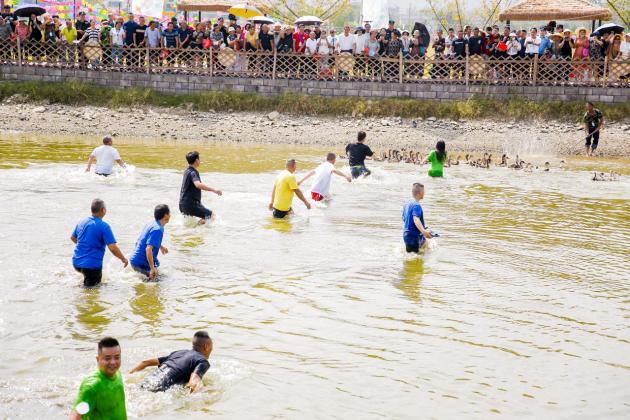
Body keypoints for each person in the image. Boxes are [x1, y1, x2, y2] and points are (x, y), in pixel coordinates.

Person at [129, 331, 213, 393]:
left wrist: (129, 375)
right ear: (206, 346)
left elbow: (145, 362)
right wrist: (206, 390)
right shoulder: (202, 361)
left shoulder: (178, 353)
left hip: (145, 383)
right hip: (156, 392)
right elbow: (192, 384)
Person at [71, 199, 128, 287]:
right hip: (91, 266)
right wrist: (123, 259)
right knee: (92, 294)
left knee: (90, 285)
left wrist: (86, 245)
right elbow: (113, 248)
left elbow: (73, 238)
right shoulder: (104, 226)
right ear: (103, 210)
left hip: (76, 262)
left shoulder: (82, 222)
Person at [69, 337, 126, 420]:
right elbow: (75, 416)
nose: (113, 362)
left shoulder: (117, 373)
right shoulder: (92, 386)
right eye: (107, 358)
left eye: (117, 357)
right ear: (98, 359)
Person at [179, 151, 222, 224]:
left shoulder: (186, 171)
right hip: (190, 205)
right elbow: (198, 185)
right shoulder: (193, 172)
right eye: (199, 159)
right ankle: (197, 230)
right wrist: (214, 190)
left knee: (191, 223)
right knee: (211, 216)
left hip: (182, 205)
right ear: (196, 160)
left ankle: (194, 232)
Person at [130, 204, 170, 280]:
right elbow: (148, 249)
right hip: (140, 264)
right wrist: (152, 269)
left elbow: (143, 240)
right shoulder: (158, 229)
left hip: (135, 260)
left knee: (161, 276)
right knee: (155, 282)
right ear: (165, 215)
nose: (170, 215)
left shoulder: (151, 224)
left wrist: (160, 247)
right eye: (169, 213)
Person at [402, 183, 433, 253]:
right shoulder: (417, 205)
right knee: (417, 257)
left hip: (406, 235)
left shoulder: (407, 204)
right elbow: (416, 219)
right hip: (414, 236)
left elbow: (404, 218)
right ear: (420, 193)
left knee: (426, 245)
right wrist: (424, 232)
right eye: (424, 192)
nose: (424, 193)